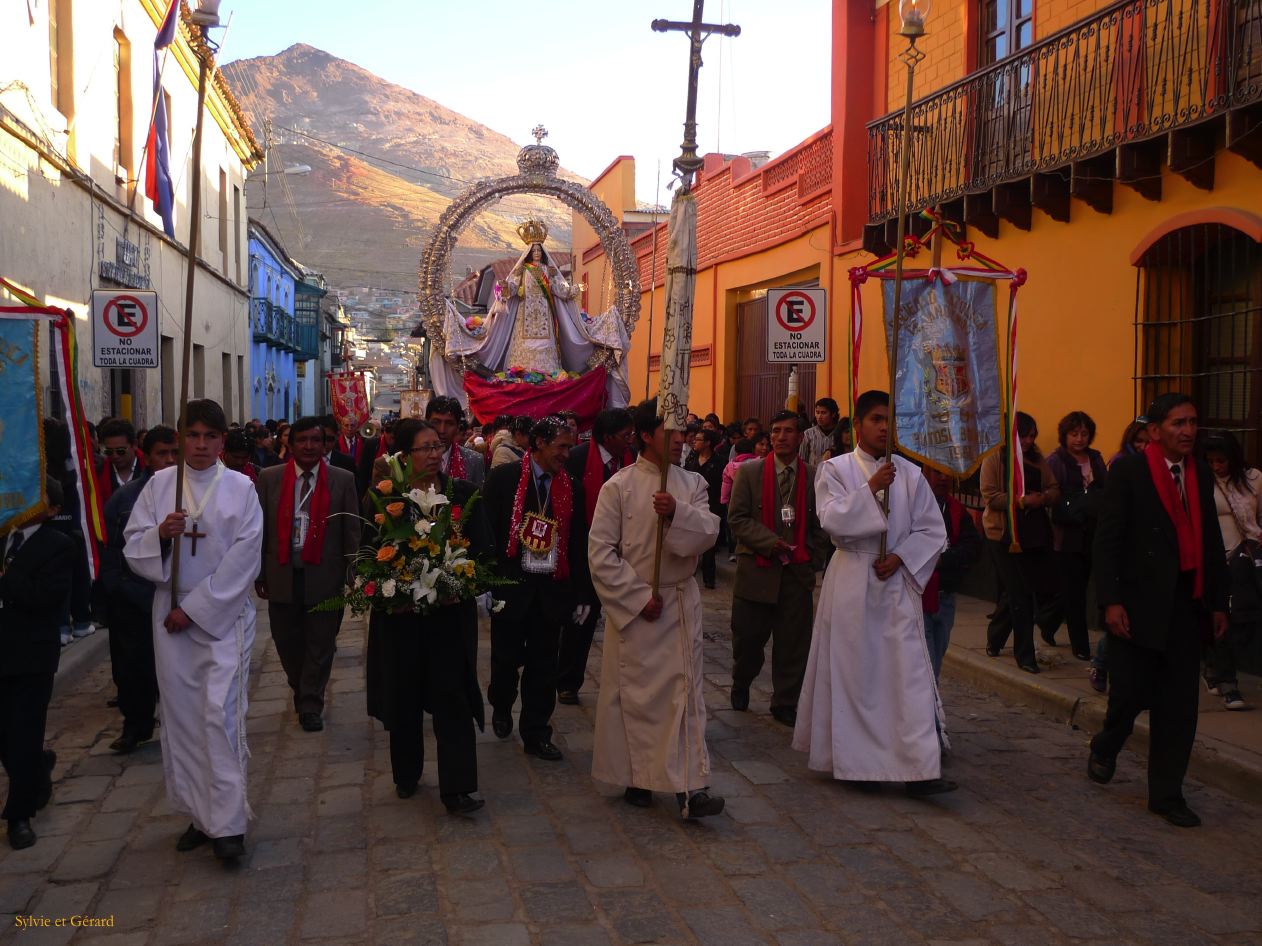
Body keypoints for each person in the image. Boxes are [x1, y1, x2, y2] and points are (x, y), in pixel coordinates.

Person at [792, 390, 953, 795]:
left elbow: (933, 530)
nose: (885, 427)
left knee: (906, 673)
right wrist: (871, 489)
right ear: (857, 426)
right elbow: (831, 520)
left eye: (890, 420)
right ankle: (860, 763)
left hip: (895, 581)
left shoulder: (910, 473)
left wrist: (900, 557)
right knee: (857, 674)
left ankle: (918, 766)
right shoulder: (836, 470)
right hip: (852, 578)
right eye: (877, 419)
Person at [124, 399, 264, 860]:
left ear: (223, 440)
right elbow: (133, 545)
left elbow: (245, 559)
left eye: (210, 436)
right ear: (180, 437)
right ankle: (199, 816)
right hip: (170, 615)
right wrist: (160, 536)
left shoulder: (242, 489)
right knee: (183, 719)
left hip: (221, 619)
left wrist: (196, 609)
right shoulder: (161, 485)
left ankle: (228, 825)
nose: (200, 445)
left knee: (218, 715)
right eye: (192, 435)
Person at [1088, 393, 1229, 828]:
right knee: (1129, 696)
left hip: (1186, 606)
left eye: (1192, 422)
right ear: (1154, 431)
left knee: (1179, 705)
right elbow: (1108, 539)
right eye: (1177, 423)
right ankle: (1106, 745)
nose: (1188, 431)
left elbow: (1210, 539)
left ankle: (1167, 795)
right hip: (1137, 605)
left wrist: (1218, 602)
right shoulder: (1129, 472)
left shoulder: (1201, 474)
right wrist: (1110, 600)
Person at [588, 399, 724, 817]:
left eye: (684, 431)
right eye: (672, 432)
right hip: (638, 610)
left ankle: (690, 786)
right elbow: (600, 553)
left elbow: (708, 534)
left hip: (678, 603)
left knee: (684, 697)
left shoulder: (693, 484)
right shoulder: (619, 487)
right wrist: (637, 596)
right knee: (636, 700)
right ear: (646, 435)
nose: (683, 439)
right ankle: (638, 775)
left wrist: (677, 513)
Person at [364, 419, 491, 813]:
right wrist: (392, 592)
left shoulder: (463, 495)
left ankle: (458, 787)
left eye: (438, 446)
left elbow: (484, 555)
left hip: (449, 620)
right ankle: (406, 773)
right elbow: (368, 557)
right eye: (425, 448)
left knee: (452, 696)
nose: (434, 454)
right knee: (403, 697)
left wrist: (461, 584)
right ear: (404, 456)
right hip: (401, 619)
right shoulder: (387, 501)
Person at [482, 417, 586, 762]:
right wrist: (485, 582)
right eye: (561, 446)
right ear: (539, 443)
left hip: (551, 591)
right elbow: (488, 532)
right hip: (511, 587)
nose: (567, 454)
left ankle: (537, 732)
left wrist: (580, 592)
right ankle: (500, 702)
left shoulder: (571, 486)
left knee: (544, 666)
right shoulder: (504, 480)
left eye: (570, 447)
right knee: (505, 660)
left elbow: (576, 543)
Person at [255, 417, 362, 732]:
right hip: (281, 573)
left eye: (316, 440)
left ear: (325, 443)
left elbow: (351, 529)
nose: (309, 446)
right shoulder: (270, 478)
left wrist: (352, 570)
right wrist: (259, 572)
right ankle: (301, 688)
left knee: (321, 643)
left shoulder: (342, 479)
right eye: (302, 440)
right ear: (291, 443)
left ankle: (311, 703)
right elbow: (259, 528)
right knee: (287, 642)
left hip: (324, 573)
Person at [727, 410, 829, 726]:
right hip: (757, 570)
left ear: (801, 437)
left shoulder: (815, 476)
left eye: (788, 431)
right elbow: (738, 519)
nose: (780, 436)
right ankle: (742, 681)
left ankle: (785, 700)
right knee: (748, 641)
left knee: (793, 643)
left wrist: (812, 556)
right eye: (776, 431)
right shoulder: (750, 473)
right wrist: (770, 542)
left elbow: (823, 523)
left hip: (796, 574)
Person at [1, 478, 74, 850]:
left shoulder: (57, 546)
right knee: (6, 739)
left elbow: (41, 600)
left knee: (25, 732)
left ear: (50, 510)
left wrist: (7, 571)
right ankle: (37, 772)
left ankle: (19, 815)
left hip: (31, 653)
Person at [100, 425, 178, 754]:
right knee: (133, 668)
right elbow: (113, 550)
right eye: (162, 453)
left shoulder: (195, 492)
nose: (170, 460)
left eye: (175, 452)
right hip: (135, 599)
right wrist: (120, 589)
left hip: (180, 600)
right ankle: (136, 725)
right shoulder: (126, 498)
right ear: (147, 456)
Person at [557, 407, 634, 705]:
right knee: (582, 618)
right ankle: (568, 681)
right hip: (584, 552)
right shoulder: (576, 459)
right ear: (606, 437)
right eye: (625, 435)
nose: (630, 440)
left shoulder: (632, 460)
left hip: (623, 552)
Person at [980, 412, 1061, 673]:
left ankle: (995, 637)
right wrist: (1021, 501)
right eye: (1023, 436)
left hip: (1032, 535)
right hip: (1002, 536)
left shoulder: (1037, 460)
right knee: (1019, 595)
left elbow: (1054, 488)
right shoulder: (995, 459)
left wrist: (1044, 498)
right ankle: (1025, 655)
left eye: (1031, 436)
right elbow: (991, 497)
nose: (1028, 441)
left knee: (1022, 591)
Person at [1200, 431, 1259, 711]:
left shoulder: (1254, 479)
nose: (1216, 466)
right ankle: (1229, 683)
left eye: (1221, 460)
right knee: (1221, 617)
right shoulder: (1202, 481)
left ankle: (1214, 664)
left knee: (1243, 619)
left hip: (1247, 556)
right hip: (1215, 559)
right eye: (1210, 461)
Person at [1046, 411, 1109, 660]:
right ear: (1065, 435)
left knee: (1079, 587)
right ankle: (1080, 645)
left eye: (1084, 434)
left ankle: (1047, 620)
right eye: (1074, 434)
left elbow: (1106, 487)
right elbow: (1052, 493)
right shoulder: (1056, 460)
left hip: (1092, 531)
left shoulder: (1095, 458)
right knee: (1074, 591)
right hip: (1066, 534)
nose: (1079, 439)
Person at [921, 468, 981, 680]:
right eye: (938, 473)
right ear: (925, 473)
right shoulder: (913, 508)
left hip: (945, 597)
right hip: (919, 598)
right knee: (926, 666)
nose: (943, 478)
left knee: (936, 661)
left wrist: (943, 559)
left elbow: (972, 547)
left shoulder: (956, 511)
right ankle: (929, 712)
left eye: (947, 473)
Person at [683, 428, 725, 589]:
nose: (695, 441)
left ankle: (709, 578)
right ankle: (688, 573)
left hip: (712, 505)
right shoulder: (691, 459)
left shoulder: (719, 462)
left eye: (699, 439)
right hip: (692, 504)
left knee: (709, 544)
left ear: (708, 443)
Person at [427, 397, 485, 487]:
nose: (442, 430)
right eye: (436, 422)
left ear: (458, 427)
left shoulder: (474, 460)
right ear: (426, 423)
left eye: (449, 423)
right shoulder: (415, 457)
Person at [97, 419, 146, 503]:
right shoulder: (98, 472)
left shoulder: (150, 469)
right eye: (109, 451)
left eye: (120, 451)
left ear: (134, 445)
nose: (115, 456)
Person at [800, 397, 841, 466]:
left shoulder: (841, 433)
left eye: (823, 413)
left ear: (833, 414)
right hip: (813, 475)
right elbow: (802, 460)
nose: (819, 416)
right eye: (817, 412)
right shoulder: (808, 434)